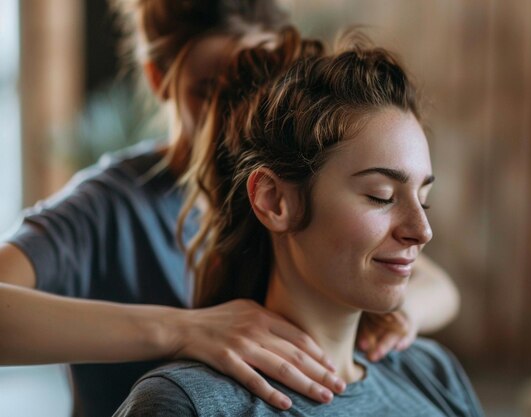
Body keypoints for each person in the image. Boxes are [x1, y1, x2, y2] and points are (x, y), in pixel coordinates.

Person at [0, 1, 459, 416]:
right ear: (162, 79)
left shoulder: (306, 190)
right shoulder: (109, 206)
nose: (236, 111)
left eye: (257, 83)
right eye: (211, 89)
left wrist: (382, 322)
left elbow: (430, 281)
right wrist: (183, 330)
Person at [114, 26, 482, 416]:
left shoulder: (431, 372)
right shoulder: (188, 404)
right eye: (381, 196)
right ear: (274, 201)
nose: (421, 231)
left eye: (423, 200)